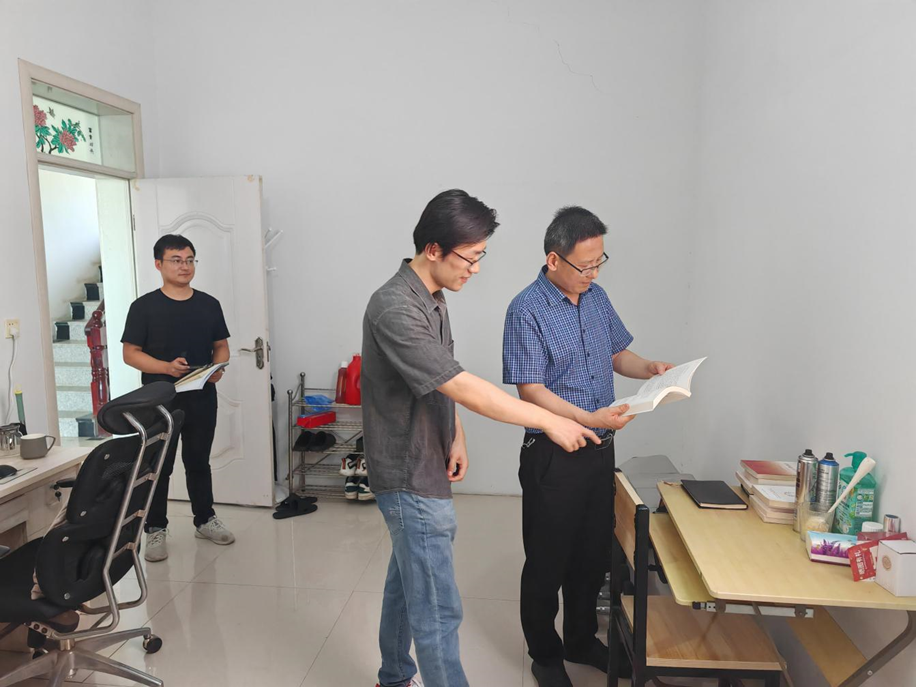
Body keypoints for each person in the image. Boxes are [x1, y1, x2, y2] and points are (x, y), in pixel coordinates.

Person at [362, 190, 600, 687]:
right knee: (438, 607)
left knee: (407, 582)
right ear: (434, 249)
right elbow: (466, 387)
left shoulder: (432, 297)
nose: (475, 269)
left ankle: (394, 676)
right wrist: (548, 420)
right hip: (407, 470)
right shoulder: (394, 307)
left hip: (428, 456)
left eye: (480, 256)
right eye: (470, 258)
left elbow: (442, 375)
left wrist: (457, 436)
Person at [503, 206, 673, 687]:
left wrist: (649, 368)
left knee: (593, 553)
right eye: (585, 265)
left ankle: (580, 638)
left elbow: (617, 353)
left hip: (601, 449)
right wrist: (586, 418)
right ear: (553, 259)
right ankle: (545, 654)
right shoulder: (526, 309)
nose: (593, 273)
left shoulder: (596, 298)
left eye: (600, 262)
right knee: (548, 559)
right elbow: (531, 390)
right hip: (553, 454)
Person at [122, 234, 236, 563]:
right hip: (159, 399)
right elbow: (130, 353)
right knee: (160, 465)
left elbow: (221, 346)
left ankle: (205, 519)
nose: (184, 266)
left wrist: (217, 368)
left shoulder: (209, 304)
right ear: (158, 264)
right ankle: (155, 528)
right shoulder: (143, 307)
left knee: (198, 461)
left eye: (189, 260)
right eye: (176, 260)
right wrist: (166, 368)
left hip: (202, 396)